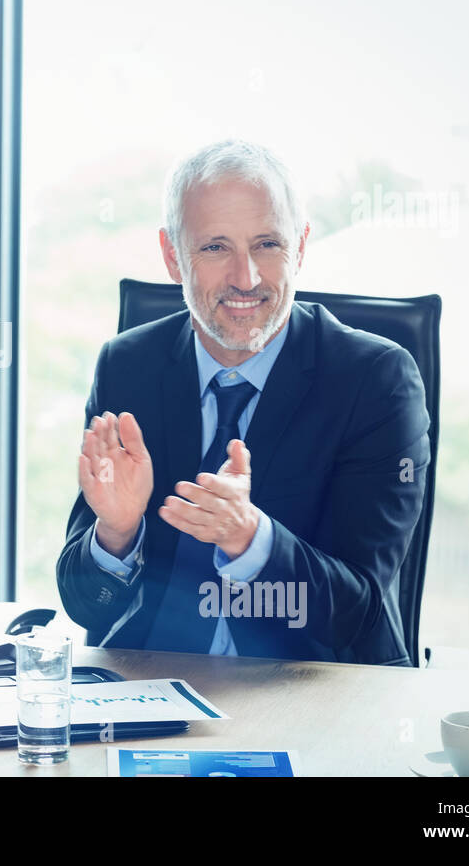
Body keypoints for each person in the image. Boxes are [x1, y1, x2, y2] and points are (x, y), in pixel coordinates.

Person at [57, 140, 430, 665]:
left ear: (300, 247)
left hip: (310, 690)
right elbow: (86, 606)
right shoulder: (128, 365)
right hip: (155, 689)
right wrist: (116, 533)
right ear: (172, 256)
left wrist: (250, 540)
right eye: (215, 247)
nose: (246, 278)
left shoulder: (375, 380)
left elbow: (358, 612)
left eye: (267, 245)